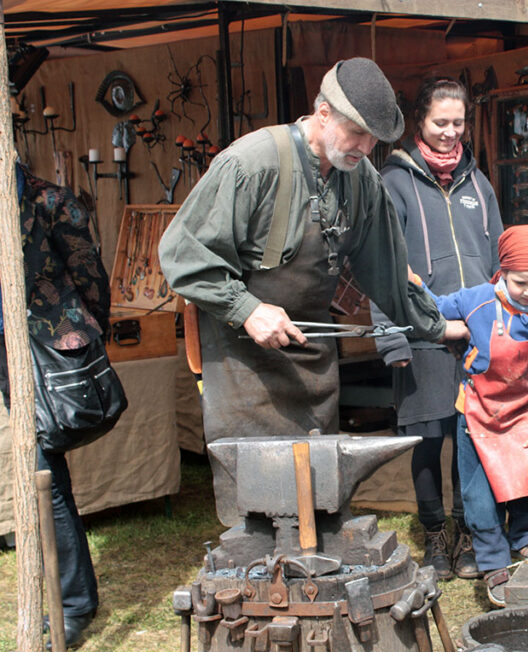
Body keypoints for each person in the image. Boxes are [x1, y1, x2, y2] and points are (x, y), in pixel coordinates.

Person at [159, 58, 466, 459]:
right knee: (262, 499)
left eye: (374, 139)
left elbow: (389, 272)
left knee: (319, 489)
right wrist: (247, 309)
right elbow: (184, 255)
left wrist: (439, 326)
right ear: (323, 113)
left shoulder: (362, 181)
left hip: (314, 362)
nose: (365, 148)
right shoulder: (251, 165)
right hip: (244, 365)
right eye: (357, 133)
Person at [374, 78, 503, 581]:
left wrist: (504, 324)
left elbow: (496, 264)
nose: (451, 133)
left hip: (474, 334)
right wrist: (391, 336)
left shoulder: (479, 183)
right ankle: (434, 537)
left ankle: (469, 533)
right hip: (421, 331)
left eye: (459, 123)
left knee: (472, 437)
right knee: (428, 438)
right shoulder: (395, 182)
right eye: (440, 123)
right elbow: (382, 263)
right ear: (419, 122)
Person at [420, 224, 528, 607]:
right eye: (521, 282)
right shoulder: (478, 301)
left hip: (523, 414)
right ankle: (492, 561)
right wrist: (414, 287)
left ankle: (525, 534)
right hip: (476, 416)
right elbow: (433, 307)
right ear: (502, 272)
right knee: (479, 495)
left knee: (526, 482)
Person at [0, 163, 107, 648]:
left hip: (42, 352)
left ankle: (72, 605)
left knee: (46, 472)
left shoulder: (51, 202)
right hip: (5, 349)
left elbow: (89, 276)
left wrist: (82, 341)